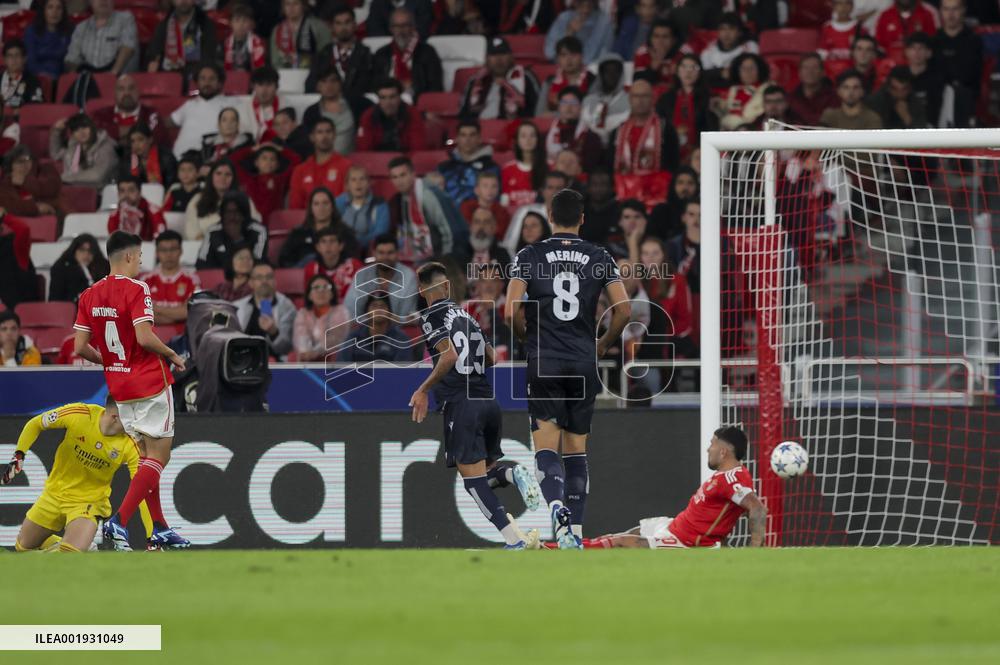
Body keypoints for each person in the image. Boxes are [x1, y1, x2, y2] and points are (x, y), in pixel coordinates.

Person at [504, 189, 631, 548]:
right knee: (577, 451)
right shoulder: (599, 256)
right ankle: (573, 533)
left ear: (548, 215)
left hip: (544, 359)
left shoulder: (530, 255)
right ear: (582, 218)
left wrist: (527, 339)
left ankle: (556, 506)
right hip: (581, 360)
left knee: (546, 447)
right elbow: (624, 310)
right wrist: (602, 344)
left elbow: (509, 310)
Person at [410, 262, 541, 549]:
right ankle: (510, 473)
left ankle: (514, 541)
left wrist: (423, 390)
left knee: (472, 482)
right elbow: (493, 358)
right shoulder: (466, 316)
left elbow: (448, 357)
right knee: (483, 474)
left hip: (461, 403)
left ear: (422, 291)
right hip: (488, 401)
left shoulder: (431, 316)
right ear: (447, 286)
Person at [73, 230, 189, 551]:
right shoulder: (138, 288)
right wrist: (172, 354)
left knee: (145, 461)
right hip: (150, 382)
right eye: (139, 257)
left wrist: (109, 362)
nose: (140, 262)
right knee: (159, 457)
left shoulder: (89, 295)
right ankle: (119, 520)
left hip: (120, 388)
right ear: (127, 256)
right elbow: (144, 337)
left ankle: (160, 528)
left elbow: (81, 346)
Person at [1, 398, 156, 552]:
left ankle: (73, 547)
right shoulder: (81, 414)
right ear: (116, 416)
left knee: (69, 552)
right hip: (54, 494)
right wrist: (19, 454)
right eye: (133, 416)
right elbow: (36, 423)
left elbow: (141, 492)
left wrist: (152, 537)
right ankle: (73, 547)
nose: (137, 421)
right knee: (22, 547)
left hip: (88, 503)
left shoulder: (132, 443)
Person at [577, 427, 768, 549]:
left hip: (683, 541)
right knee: (624, 534)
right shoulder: (729, 477)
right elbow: (725, 514)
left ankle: (566, 549)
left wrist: (753, 550)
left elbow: (757, 508)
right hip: (673, 525)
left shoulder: (732, 478)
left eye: (712, 444)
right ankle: (571, 546)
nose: (708, 449)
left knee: (620, 543)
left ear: (723, 451)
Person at [609, 77, 679, 208]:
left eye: (645, 96)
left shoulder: (665, 129)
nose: (640, 101)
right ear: (630, 99)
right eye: (636, 96)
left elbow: (673, 163)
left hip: (656, 196)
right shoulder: (618, 131)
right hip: (624, 194)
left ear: (653, 98)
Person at [387, 156, 463, 265]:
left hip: (439, 257)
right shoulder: (396, 201)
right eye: (394, 177)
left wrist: (447, 260)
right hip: (415, 256)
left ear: (413, 174)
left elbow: (447, 229)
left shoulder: (427, 195)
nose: (399, 181)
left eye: (403, 175)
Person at [307, 5, 373, 117]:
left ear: (354, 24)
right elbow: (310, 84)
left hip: (356, 110)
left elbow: (369, 84)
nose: (343, 28)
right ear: (332, 27)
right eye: (338, 23)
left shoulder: (366, 54)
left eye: (347, 22)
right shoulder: (323, 55)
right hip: (326, 109)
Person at [371, 7, 443, 101]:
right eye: (396, 26)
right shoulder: (382, 54)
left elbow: (435, 86)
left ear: (413, 27)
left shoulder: (427, 52)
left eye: (405, 25)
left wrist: (413, 85)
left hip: (417, 101)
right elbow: (374, 84)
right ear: (391, 29)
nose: (401, 30)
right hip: (386, 101)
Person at [654, 54, 715, 162]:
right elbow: (659, 125)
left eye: (694, 67)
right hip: (669, 151)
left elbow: (710, 127)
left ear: (700, 72)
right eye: (684, 67)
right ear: (677, 71)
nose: (688, 72)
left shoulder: (708, 98)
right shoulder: (666, 98)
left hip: (699, 153)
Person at [460, 37, 539, 120]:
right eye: (493, 55)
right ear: (486, 59)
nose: (499, 59)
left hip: (514, 128)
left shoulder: (525, 78)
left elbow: (537, 109)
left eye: (503, 53)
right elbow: (464, 113)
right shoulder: (475, 81)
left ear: (511, 57)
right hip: (479, 129)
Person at [342, 233, 419, 318]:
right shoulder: (361, 275)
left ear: (397, 253)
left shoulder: (408, 276)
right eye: (381, 253)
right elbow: (350, 312)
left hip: (397, 330)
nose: (385, 257)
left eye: (390, 253)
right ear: (374, 253)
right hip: (364, 329)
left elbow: (407, 316)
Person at [932, 0, 982, 128]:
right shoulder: (934, 40)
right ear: (940, 11)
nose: (950, 14)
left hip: (967, 101)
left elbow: (972, 77)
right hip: (937, 100)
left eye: (955, 9)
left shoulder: (974, 40)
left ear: (963, 10)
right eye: (946, 9)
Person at [185, 160, 262, 241]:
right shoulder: (197, 199)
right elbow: (191, 227)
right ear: (211, 176)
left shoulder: (243, 199)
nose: (223, 178)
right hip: (203, 245)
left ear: (233, 178)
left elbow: (254, 224)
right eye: (218, 173)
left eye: (228, 174)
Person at [141, 230, 199, 335]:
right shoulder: (145, 280)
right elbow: (140, 315)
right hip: (151, 339)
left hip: (182, 338)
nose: (168, 254)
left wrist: (155, 309)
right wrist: (176, 316)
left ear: (181, 251)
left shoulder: (192, 279)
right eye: (163, 250)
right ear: (157, 253)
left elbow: (189, 312)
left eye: (173, 249)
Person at [169, 62, 233, 158]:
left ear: (219, 83)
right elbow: (166, 122)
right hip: (178, 161)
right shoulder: (189, 105)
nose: (207, 83)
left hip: (209, 162)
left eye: (211, 79)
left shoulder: (230, 105)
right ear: (197, 82)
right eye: (203, 78)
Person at [235, 261, 296, 359]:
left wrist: (273, 332)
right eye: (259, 277)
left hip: (275, 364)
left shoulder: (286, 307)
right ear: (251, 283)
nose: (264, 281)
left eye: (269, 277)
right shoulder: (238, 307)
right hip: (243, 361)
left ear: (275, 281)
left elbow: (286, 348)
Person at [230, 142, 302, 225]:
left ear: (277, 165)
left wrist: (279, 148)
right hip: (252, 225)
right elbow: (232, 161)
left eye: (272, 159)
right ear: (256, 163)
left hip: (276, 224)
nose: (268, 162)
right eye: (264, 158)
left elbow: (297, 160)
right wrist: (252, 149)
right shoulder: (248, 180)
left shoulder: (281, 180)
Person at [146, 0, 220, 79]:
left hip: (196, 76)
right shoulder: (164, 25)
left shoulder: (205, 24)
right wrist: (153, 62)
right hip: (167, 75)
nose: (183, 1)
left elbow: (208, 57)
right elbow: (153, 54)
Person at [280, 187, 352, 267]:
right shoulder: (298, 233)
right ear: (311, 208)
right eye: (316, 204)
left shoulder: (344, 233)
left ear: (332, 207)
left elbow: (351, 260)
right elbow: (284, 261)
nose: (321, 208)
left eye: (325, 203)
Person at [289, 117, 352, 207]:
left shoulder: (346, 166)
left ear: (334, 135)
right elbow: (295, 207)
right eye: (319, 132)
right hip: (307, 220)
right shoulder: (300, 170)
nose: (324, 136)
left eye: (328, 132)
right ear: (312, 137)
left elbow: (347, 203)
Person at [91, 74, 165, 150]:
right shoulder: (101, 114)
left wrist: (117, 133)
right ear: (115, 93)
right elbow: (95, 137)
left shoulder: (151, 113)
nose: (127, 93)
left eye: (131, 88)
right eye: (121, 89)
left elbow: (157, 139)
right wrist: (139, 133)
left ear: (138, 91)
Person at [64, 0, 139, 75]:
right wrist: (74, 77)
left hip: (118, 80)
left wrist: (112, 74)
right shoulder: (81, 28)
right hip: (88, 79)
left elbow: (128, 47)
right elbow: (72, 59)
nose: (103, 1)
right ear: (91, 2)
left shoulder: (125, 19)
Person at [196, 191, 268, 269]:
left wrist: (238, 239)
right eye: (228, 212)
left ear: (245, 214)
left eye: (236, 212)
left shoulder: (259, 231)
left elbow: (259, 263)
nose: (232, 217)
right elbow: (201, 263)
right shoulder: (213, 231)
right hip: (218, 277)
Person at [356, 77, 428, 152]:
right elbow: (363, 150)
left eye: (392, 97)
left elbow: (418, 149)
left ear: (400, 97)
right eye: (383, 98)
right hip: (376, 161)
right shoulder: (368, 116)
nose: (388, 102)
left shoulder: (413, 114)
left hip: (404, 160)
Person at [49, 113, 118, 189]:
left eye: (84, 127)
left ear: (92, 127)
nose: (81, 132)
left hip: (99, 193)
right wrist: (57, 131)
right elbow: (55, 154)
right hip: (73, 190)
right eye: (76, 130)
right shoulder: (74, 145)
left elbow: (98, 175)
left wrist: (65, 178)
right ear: (72, 134)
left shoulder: (106, 146)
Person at [337, 293, 413, 362]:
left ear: (390, 313)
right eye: (374, 306)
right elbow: (342, 366)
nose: (378, 309)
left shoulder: (401, 339)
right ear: (366, 312)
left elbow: (402, 371)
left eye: (382, 306)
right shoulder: (353, 337)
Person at [437, 120, 499, 205]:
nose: (467, 139)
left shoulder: (491, 168)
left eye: (472, 135)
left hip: (481, 216)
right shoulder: (444, 168)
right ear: (457, 139)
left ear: (479, 139)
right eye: (463, 135)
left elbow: (496, 200)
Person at [543, 87, 603, 172]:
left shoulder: (591, 137)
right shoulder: (546, 136)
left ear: (581, 107)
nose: (569, 107)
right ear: (558, 106)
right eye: (564, 102)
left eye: (573, 103)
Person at [293, 273, 350, 361]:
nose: (321, 291)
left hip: (334, 361)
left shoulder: (341, 311)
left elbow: (336, 338)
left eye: (326, 287)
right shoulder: (302, 313)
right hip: (307, 360)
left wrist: (316, 352)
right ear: (309, 295)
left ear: (332, 294)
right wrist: (306, 351)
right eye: (316, 288)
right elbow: (300, 337)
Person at [336, 166, 390, 252]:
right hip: (340, 251)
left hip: (369, 253)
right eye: (353, 180)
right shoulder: (338, 203)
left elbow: (380, 235)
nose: (358, 183)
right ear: (347, 185)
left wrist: (355, 242)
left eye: (362, 179)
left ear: (368, 183)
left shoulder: (380, 205)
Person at [302, 66, 355, 154]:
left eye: (333, 81)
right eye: (324, 81)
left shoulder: (357, 104)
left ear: (340, 83)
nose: (329, 85)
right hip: (324, 163)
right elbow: (307, 142)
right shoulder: (311, 113)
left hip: (354, 162)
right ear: (318, 86)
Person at [536, 36, 595, 116]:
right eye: (563, 55)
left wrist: (556, 115)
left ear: (582, 56)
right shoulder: (550, 82)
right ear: (557, 59)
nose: (569, 59)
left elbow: (593, 113)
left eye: (573, 54)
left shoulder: (592, 80)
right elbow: (539, 115)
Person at [580, 53, 630, 147]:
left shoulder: (630, 100)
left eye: (615, 71)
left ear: (621, 74)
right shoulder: (588, 101)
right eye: (607, 71)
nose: (611, 75)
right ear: (600, 74)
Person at [303, 226, 362, 302]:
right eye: (323, 241)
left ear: (341, 246)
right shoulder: (311, 269)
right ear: (318, 247)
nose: (328, 246)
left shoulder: (355, 266)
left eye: (332, 241)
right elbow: (309, 298)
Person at [545, 0, 613, 66]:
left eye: (590, 2)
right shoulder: (564, 18)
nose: (585, 9)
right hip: (564, 69)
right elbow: (550, 53)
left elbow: (605, 54)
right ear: (574, 3)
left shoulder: (604, 22)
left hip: (592, 70)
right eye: (581, 2)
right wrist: (569, 33)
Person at [0, 145, 62, 217]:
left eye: (28, 159)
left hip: (59, 210)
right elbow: (9, 204)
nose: (25, 164)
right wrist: (35, 207)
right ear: (11, 165)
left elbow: (53, 187)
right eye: (20, 161)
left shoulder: (46, 169)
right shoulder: (6, 182)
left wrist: (25, 182)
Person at [715, 53, 772, 130]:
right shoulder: (733, 90)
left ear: (760, 70)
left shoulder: (769, 89)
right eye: (743, 68)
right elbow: (725, 112)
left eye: (752, 68)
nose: (748, 72)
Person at [270, 0, 331, 70]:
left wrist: (299, 59)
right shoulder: (277, 30)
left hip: (313, 73)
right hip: (285, 75)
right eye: (287, 4)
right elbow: (275, 62)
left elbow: (326, 56)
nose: (291, 8)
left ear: (303, 6)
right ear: (283, 7)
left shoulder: (319, 27)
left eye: (296, 3)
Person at [49, 233, 109, 303]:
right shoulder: (61, 268)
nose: (86, 254)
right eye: (82, 250)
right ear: (74, 251)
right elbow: (55, 300)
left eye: (90, 251)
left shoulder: (102, 268)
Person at [500, 120, 546, 210]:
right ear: (517, 140)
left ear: (538, 139)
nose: (528, 139)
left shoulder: (548, 167)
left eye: (532, 135)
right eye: (523, 136)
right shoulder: (507, 169)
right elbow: (504, 202)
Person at [699, 12, 758, 79]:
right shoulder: (708, 51)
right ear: (718, 32)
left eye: (731, 28)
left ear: (740, 32)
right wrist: (720, 72)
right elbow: (703, 75)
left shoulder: (750, 47)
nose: (726, 33)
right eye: (722, 29)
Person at [632, 18, 688, 88]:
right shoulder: (642, 53)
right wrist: (652, 68)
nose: (660, 41)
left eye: (665, 37)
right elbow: (638, 85)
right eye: (656, 36)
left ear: (674, 40)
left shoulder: (684, 54)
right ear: (650, 38)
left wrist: (677, 74)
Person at [24, 0, 73, 80]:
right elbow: (30, 63)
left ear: (63, 12)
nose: (54, 12)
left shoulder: (68, 32)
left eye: (59, 8)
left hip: (61, 79)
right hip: (36, 78)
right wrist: (45, 76)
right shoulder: (31, 31)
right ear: (43, 10)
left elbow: (69, 61)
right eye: (50, 7)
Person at [107, 175, 166, 240]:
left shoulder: (154, 212)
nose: (126, 195)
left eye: (131, 190)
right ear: (118, 194)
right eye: (122, 191)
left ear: (139, 192)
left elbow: (160, 240)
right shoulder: (114, 215)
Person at [235, 67, 284, 144]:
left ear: (277, 86)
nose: (264, 90)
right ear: (253, 86)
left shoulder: (286, 106)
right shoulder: (241, 110)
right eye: (260, 85)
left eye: (269, 85)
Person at [788, 53, 840, 126]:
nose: (810, 72)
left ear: (823, 72)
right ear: (799, 72)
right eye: (806, 67)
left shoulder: (834, 97)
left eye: (815, 67)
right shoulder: (791, 98)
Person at [903, 32, 943, 126]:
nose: (917, 52)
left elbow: (936, 110)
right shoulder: (898, 76)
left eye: (921, 48)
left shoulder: (937, 79)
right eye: (913, 48)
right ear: (906, 52)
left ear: (929, 53)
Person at [649, 166, 698, 241]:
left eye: (690, 183)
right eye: (680, 183)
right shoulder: (660, 212)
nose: (685, 188)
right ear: (673, 186)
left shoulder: (703, 212)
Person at [121, 124, 177, 188]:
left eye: (140, 139)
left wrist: (158, 185)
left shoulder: (166, 157)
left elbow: (173, 186)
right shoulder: (128, 160)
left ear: (150, 139)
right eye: (132, 141)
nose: (136, 145)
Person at [874, 0, 938, 56]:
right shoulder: (885, 15)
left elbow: (932, 41)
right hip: (891, 64)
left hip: (920, 64)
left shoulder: (927, 14)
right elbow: (879, 44)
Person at [460, 171, 510, 238]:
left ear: (498, 190)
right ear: (476, 190)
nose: (490, 190)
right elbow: (465, 230)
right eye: (485, 186)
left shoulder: (502, 211)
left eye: (494, 186)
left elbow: (500, 234)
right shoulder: (466, 207)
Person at [2, 40, 45, 111]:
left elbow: (37, 107)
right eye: (10, 56)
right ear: (4, 60)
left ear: (24, 58)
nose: (14, 59)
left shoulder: (32, 81)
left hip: (20, 120)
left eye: (17, 55)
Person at [223, 3, 267, 72]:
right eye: (237, 20)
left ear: (251, 24)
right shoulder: (226, 42)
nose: (241, 25)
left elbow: (260, 68)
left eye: (244, 21)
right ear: (231, 23)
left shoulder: (257, 42)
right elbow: (226, 67)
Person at [366, 0, 434, 40]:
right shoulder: (377, 4)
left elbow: (422, 30)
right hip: (386, 53)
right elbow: (375, 32)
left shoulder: (422, 2)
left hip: (416, 51)